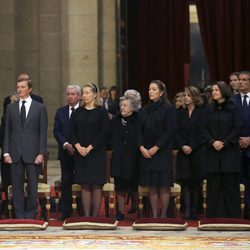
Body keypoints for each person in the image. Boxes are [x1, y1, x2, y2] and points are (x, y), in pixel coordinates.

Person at [3, 77, 48, 219]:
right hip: (15, 153)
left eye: (22, 87)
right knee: (17, 188)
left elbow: (43, 132)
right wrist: (6, 152)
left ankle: (30, 216)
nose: (19, 89)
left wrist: (41, 152)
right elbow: (7, 132)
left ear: (29, 89)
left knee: (32, 188)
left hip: (33, 154)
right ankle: (19, 216)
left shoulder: (39, 108)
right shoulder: (10, 108)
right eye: (18, 87)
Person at [201, 81, 242, 218]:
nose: (213, 92)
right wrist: (212, 141)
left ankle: (232, 217)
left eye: (216, 90)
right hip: (212, 152)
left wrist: (224, 142)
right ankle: (214, 217)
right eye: (212, 90)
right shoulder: (209, 108)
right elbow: (203, 128)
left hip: (229, 152)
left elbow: (237, 127)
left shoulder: (233, 107)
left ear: (223, 91)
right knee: (214, 185)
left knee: (230, 186)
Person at [138, 80, 176, 218]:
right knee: (152, 185)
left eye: (154, 89)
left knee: (163, 185)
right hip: (147, 152)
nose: (150, 92)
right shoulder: (144, 110)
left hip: (162, 151)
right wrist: (141, 147)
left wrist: (157, 147)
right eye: (149, 89)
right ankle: (154, 215)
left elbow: (170, 131)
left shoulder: (168, 109)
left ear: (161, 92)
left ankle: (163, 215)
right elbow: (139, 131)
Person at [70, 83, 109, 217]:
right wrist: (78, 146)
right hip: (81, 153)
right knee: (85, 184)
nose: (84, 95)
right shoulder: (78, 112)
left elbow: (104, 133)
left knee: (96, 184)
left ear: (94, 95)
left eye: (87, 92)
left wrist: (91, 147)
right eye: (83, 93)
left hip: (96, 153)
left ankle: (95, 216)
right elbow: (71, 131)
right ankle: (86, 216)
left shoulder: (101, 111)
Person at [110, 93, 141, 220]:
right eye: (121, 105)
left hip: (134, 158)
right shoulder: (116, 120)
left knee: (134, 186)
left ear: (132, 108)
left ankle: (139, 210)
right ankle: (121, 212)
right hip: (119, 158)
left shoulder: (138, 120)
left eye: (125, 106)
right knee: (120, 186)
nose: (122, 108)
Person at [175, 86, 204, 219]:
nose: (185, 98)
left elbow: (202, 132)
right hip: (183, 152)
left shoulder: (202, 112)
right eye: (185, 95)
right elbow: (176, 132)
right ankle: (186, 211)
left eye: (188, 95)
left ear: (195, 97)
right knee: (185, 182)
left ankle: (194, 211)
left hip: (197, 151)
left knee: (195, 182)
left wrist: (192, 146)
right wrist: (183, 145)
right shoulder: (180, 113)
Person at [53, 84, 82, 220]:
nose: (70, 97)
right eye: (68, 94)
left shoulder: (83, 111)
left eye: (73, 94)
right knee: (66, 182)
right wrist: (66, 144)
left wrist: (76, 146)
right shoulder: (61, 112)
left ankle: (82, 211)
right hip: (65, 153)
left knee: (82, 181)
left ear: (79, 96)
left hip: (81, 153)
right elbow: (56, 131)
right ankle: (66, 212)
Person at [233, 71, 250, 219]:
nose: (241, 82)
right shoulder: (233, 100)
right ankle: (237, 213)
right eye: (240, 80)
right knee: (235, 182)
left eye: (245, 80)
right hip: (235, 148)